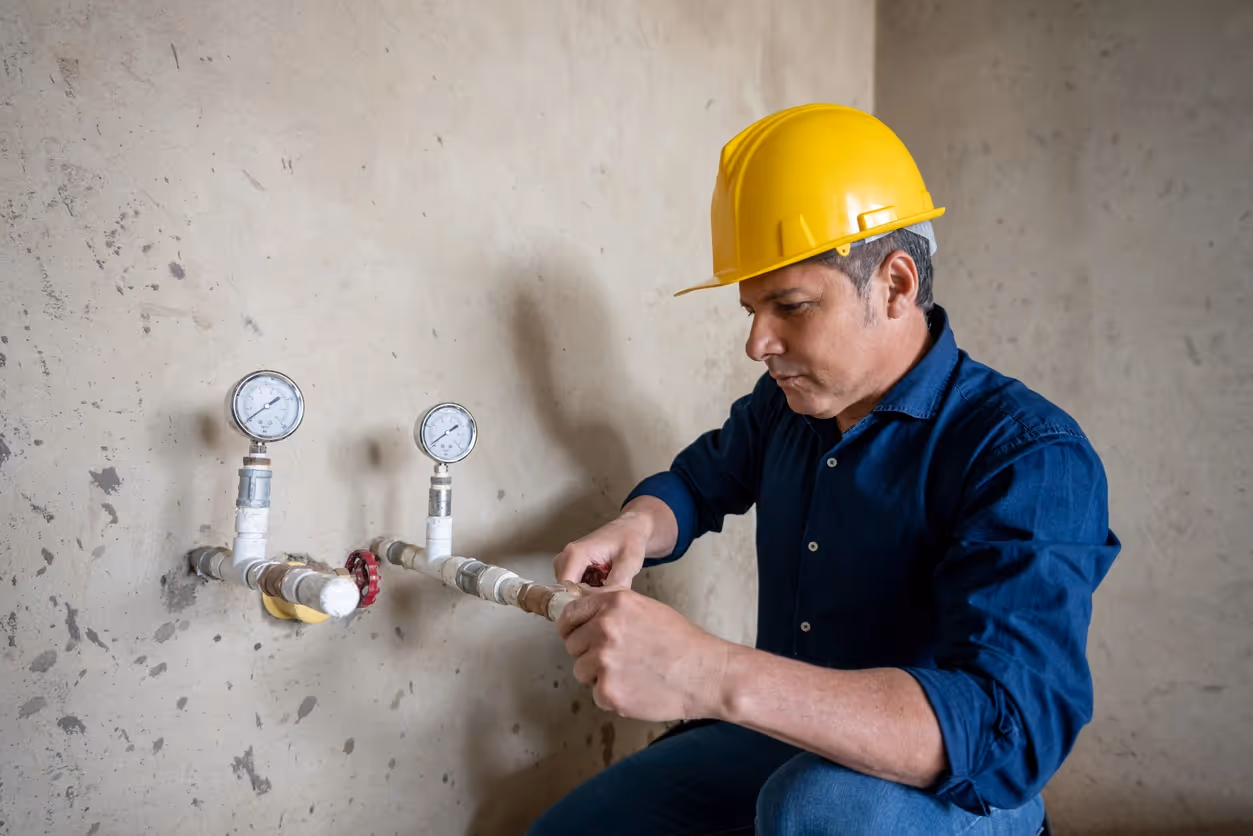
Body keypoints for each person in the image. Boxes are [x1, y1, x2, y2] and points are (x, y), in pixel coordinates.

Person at [529, 104, 1119, 836]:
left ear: (896, 286)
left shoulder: (1025, 454)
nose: (756, 343)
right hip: (779, 733)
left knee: (819, 808)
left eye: (790, 305)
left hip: (947, 786)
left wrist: (709, 675)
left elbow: (1004, 732)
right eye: (750, 309)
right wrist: (635, 527)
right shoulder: (788, 406)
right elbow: (701, 482)